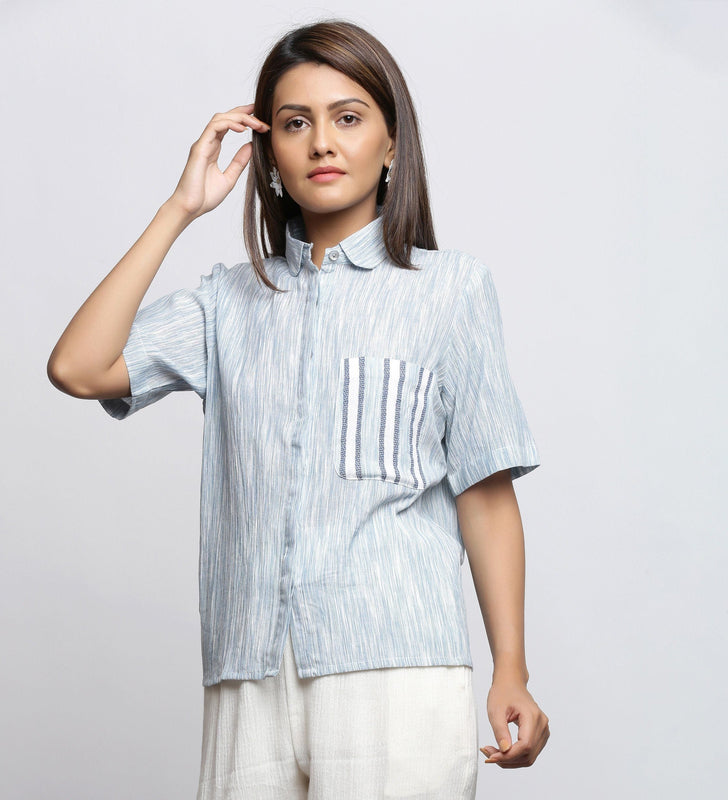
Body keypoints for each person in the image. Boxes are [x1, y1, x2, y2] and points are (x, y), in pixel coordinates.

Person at [47, 17, 549, 799]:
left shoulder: (450, 291)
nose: (322, 142)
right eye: (295, 123)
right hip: (247, 672)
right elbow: (78, 368)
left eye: (348, 118)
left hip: (396, 665)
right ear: (270, 154)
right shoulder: (227, 304)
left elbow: (484, 492)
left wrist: (510, 667)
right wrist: (181, 208)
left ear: (391, 145)